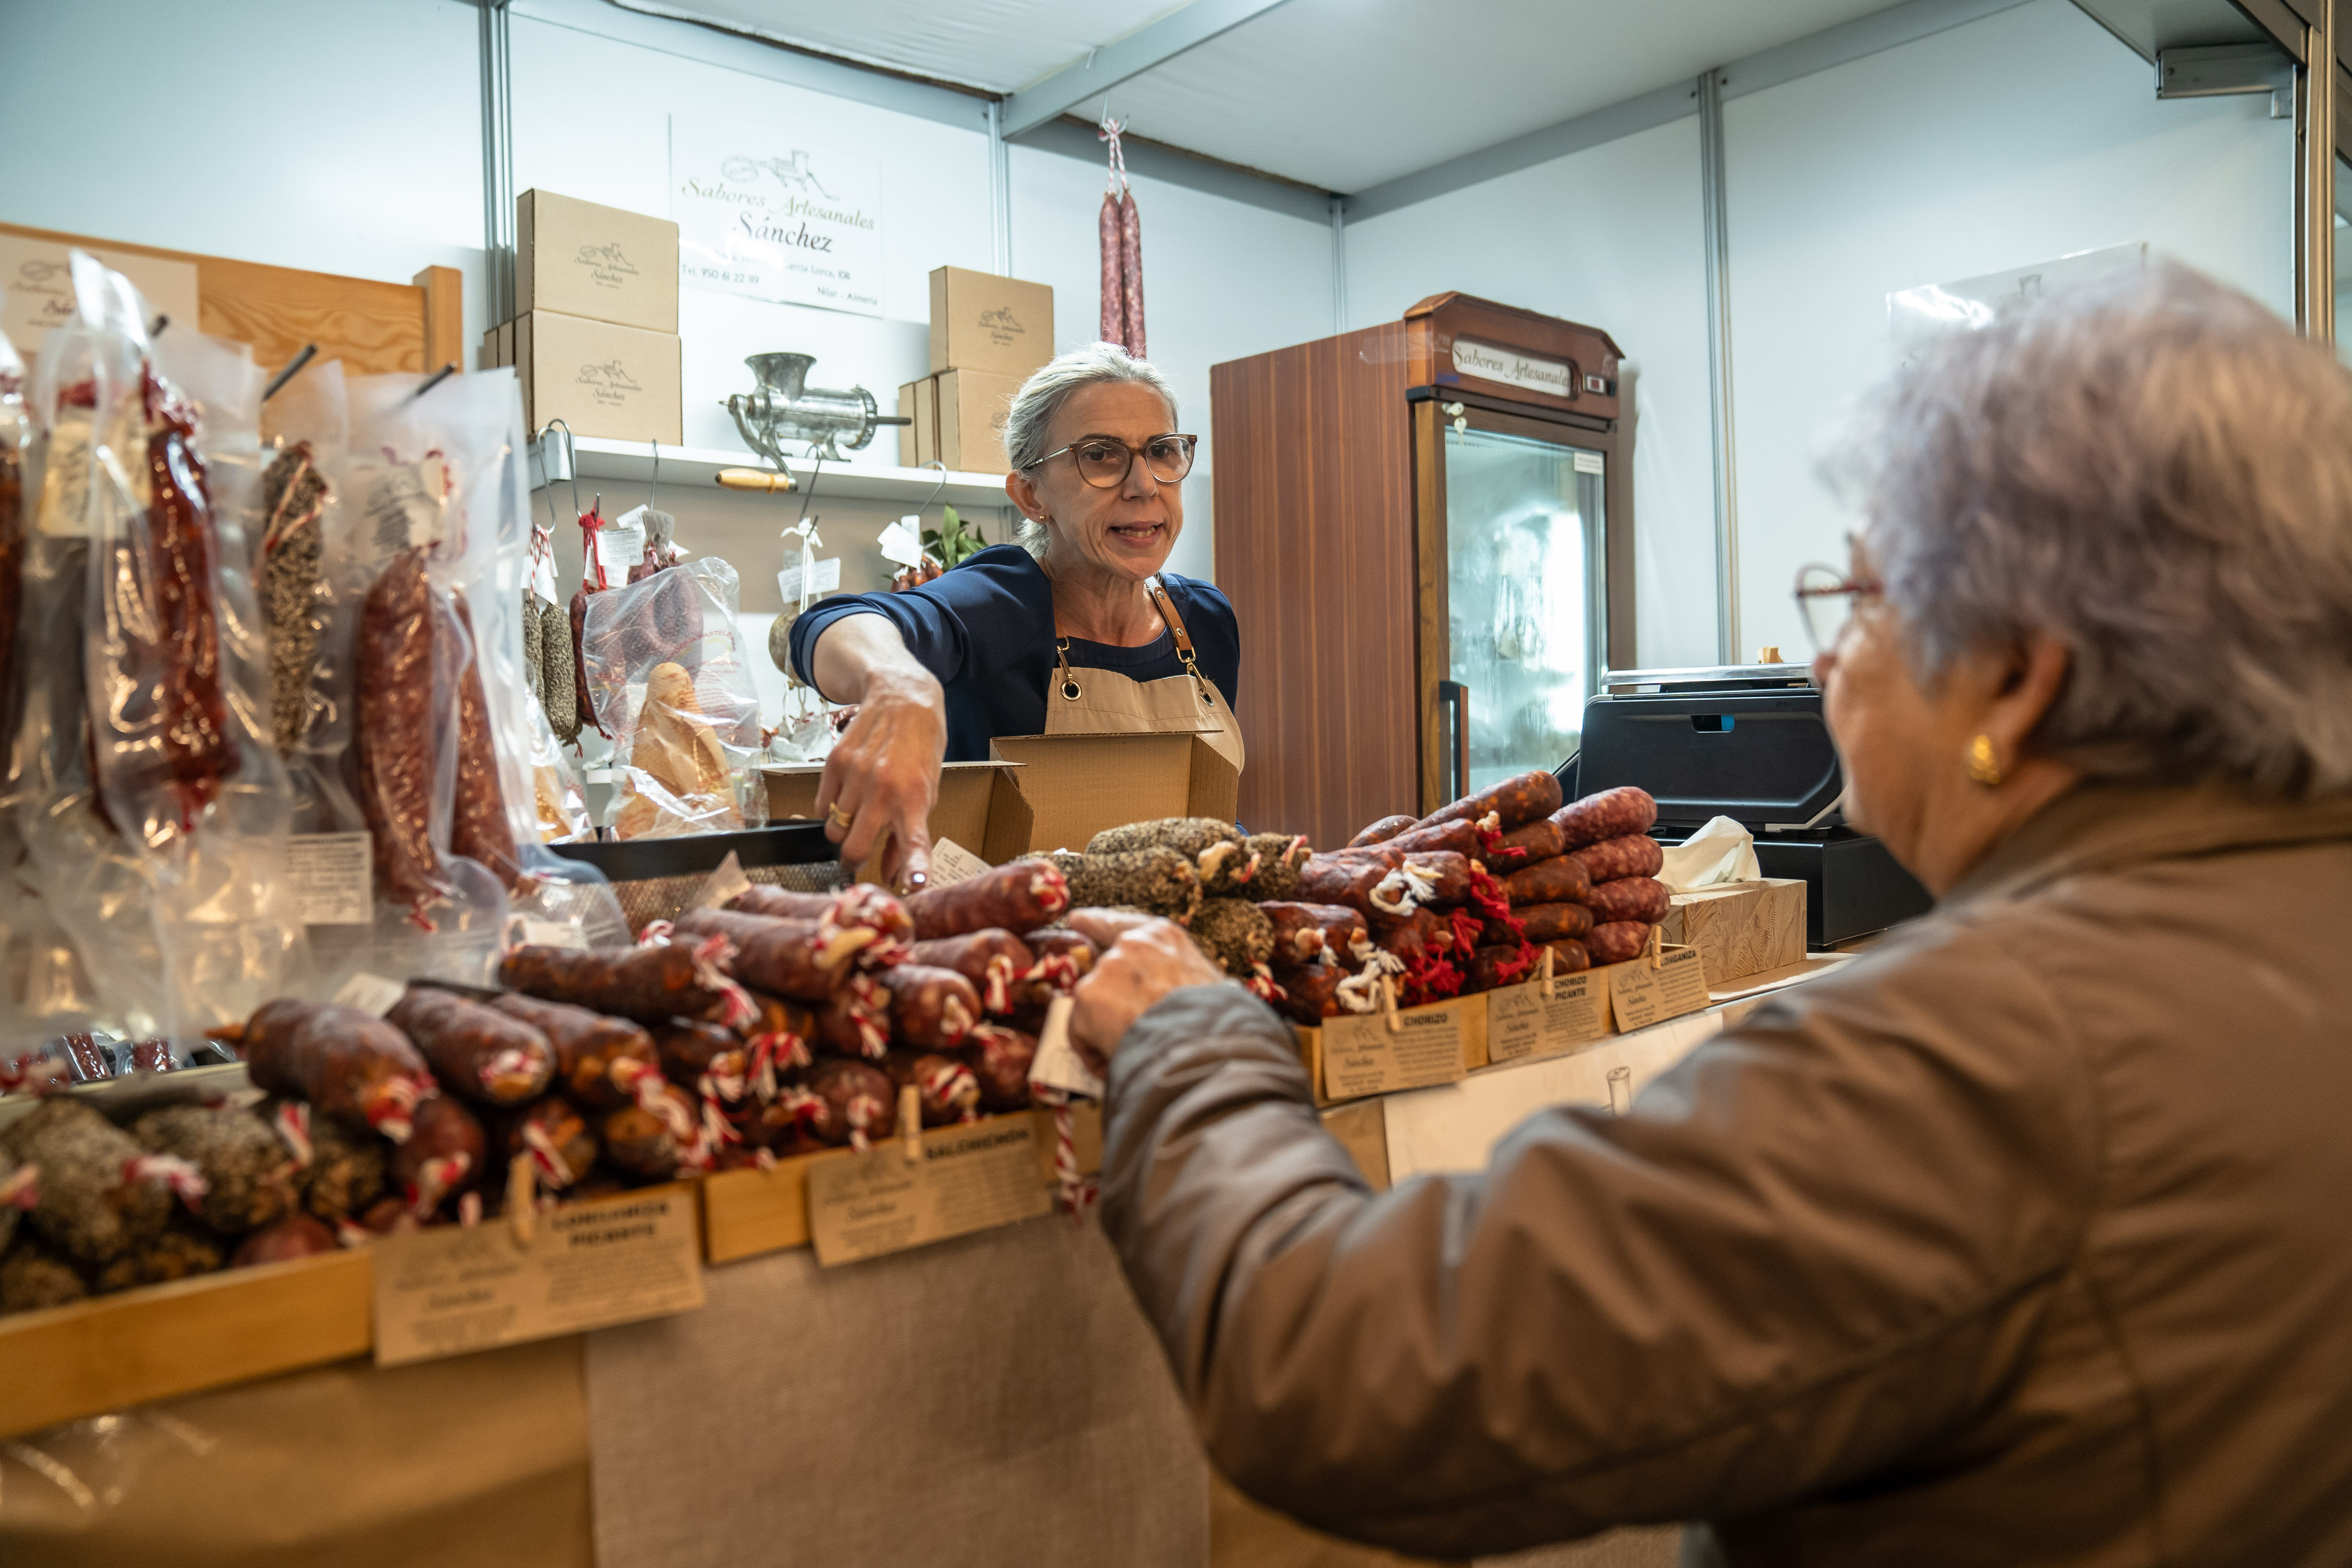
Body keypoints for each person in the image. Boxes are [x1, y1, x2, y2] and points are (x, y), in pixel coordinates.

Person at [1066, 263, 2352, 1564]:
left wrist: (1188, 1038)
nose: (1825, 661)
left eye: (1853, 599)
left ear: (2016, 679)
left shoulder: (1971, 1055)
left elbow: (1335, 1363)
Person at [788, 343, 1240, 889]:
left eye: (1162, 451)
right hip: (1015, 947)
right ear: (1030, 494)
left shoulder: (1203, 619)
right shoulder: (1002, 602)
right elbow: (830, 625)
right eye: (1100, 455)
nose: (1144, 485)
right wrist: (896, 681)